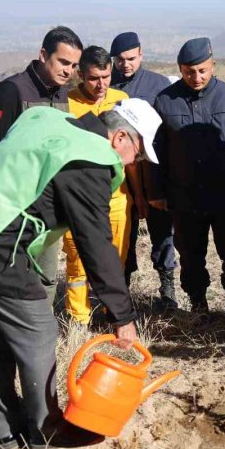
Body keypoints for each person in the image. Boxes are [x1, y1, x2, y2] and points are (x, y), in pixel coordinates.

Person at [0, 103, 160, 449]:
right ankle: (45, 431)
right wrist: (122, 315)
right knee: (39, 332)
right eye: (136, 156)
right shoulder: (89, 157)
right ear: (120, 136)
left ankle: (5, 433)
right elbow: (95, 243)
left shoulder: (50, 119)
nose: (131, 165)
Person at [150, 37, 225, 319]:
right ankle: (198, 302)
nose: (196, 77)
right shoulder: (165, 100)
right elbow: (155, 150)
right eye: (189, 72)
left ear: (213, 64)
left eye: (202, 70)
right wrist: (156, 190)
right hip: (184, 196)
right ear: (180, 69)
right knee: (190, 256)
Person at [0, 26, 83, 306]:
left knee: (46, 276)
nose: (68, 71)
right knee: (12, 275)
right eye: (63, 62)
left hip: (49, 206)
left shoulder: (61, 94)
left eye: (73, 65)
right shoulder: (11, 91)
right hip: (15, 206)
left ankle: (40, 332)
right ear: (43, 54)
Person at [63, 47, 136, 329]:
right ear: (81, 75)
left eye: (106, 77)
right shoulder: (66, 103)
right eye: (94, 78)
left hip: (117, 198)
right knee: (78, 261)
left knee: (115, 261)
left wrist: (138, 196)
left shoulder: (122, 100)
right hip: (79, 200)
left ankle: (113, 317)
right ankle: (78, 321)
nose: (101, 84)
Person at [110, 32, 177, 308]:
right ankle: (121, 289)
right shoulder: (108, 86)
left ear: (141, 54)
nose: (126, 64)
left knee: (162, 233)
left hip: (154, 173)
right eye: (120, 60)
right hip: (120, 178)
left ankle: (167, 288)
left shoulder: (159, 86)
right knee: (123, 235)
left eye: (131, 58)